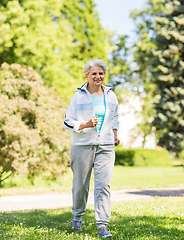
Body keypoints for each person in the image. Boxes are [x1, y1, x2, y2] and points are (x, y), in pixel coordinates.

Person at [64, 59, 119, 238]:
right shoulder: (78, 95)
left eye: (101, 73)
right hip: (82, 145)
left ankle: (102, 225)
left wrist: (115, 134)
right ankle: (77, 218)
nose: (98, 76)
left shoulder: (110, 95)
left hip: (106, 146)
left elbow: (115, 117)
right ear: (86, 75)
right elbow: (67, 121)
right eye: (94, 73)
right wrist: (85, 124)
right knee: (80, 186)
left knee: (103, 186)